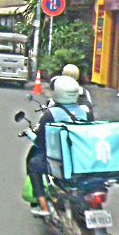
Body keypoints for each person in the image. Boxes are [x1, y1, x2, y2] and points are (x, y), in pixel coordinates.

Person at [27, 75, 84, 218]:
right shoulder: (85, 112)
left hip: (60, 162)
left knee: (33, 164)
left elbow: (40, 141)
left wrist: (29, 134)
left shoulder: (50, 114)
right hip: (81, 161)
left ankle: (44, 206)